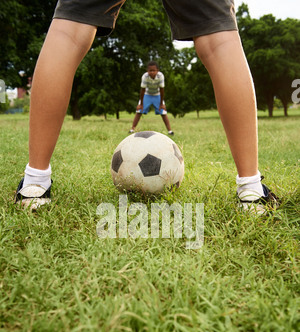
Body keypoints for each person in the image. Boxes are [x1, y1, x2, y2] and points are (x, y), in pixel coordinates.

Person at [15, 0, 279, 213]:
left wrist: (160, 100)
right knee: (219, 39)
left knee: (69, 32)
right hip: (148, 97)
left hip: (156, 97)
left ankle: (35, 184)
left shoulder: (159, 77)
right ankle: (251, 190)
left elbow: (160, 89)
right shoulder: (146, 77)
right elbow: (144, 89)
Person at [129, 60, 174, 135]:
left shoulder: (161, 76)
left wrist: (161, 104)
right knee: (139, 111)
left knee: (163, 112)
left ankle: (170, 131)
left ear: (157, 70)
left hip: (157, 94)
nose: (152, 72)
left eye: (154, 70)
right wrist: (141, 104)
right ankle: (132, 129)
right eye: (150, 70)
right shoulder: (145, 76)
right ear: (147, 71)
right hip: (147, 94)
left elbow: (162, 90)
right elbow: (142, 90)